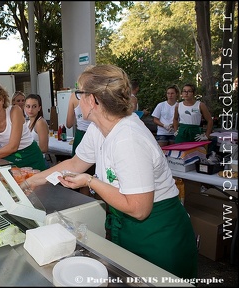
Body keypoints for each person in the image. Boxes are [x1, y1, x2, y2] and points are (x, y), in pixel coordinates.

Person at [22, 64, 198, 280]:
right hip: (127, 228)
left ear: (94, 99)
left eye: (79, 93)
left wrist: (90, 181)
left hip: (158, 235)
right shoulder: (99, 128)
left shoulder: (128, 139)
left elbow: (139, 208)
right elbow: (76, 163)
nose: (77, 100)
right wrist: (31, 182)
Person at [66, 90, 94, 195]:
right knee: (99, 175)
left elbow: (69, 123)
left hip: (81, 135)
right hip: (98, 134)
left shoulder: (74, 96)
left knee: (80, 173)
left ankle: (85, 204)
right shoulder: (98, 93)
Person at [24, 94, 50, 167]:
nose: (30, 110)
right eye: (28, 106)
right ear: (25, 108)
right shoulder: (28, 122)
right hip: (31, 160)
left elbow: (44, 148)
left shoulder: (40, 122)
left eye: (34, 106)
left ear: (39, 108)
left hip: (39, 161)